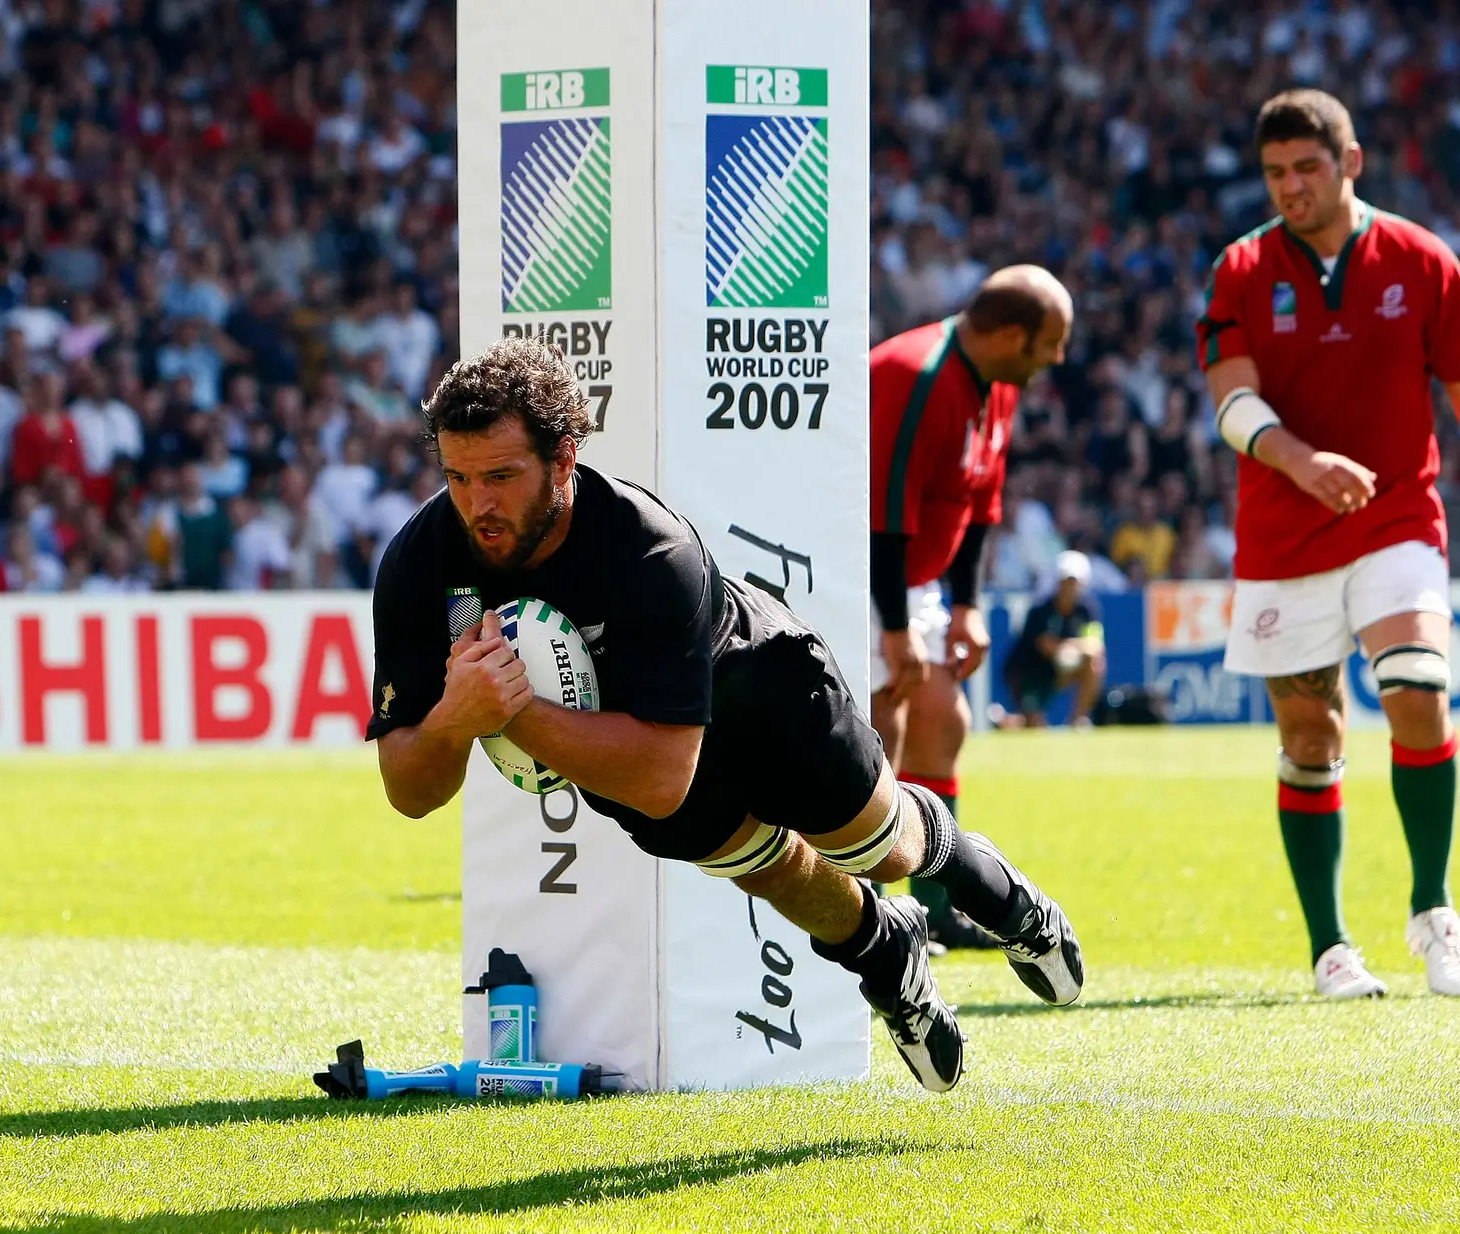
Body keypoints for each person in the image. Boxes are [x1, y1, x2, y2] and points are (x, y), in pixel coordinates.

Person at [369, 339, 1086, 1093]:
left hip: (761, 693)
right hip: (621, 744)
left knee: (879, 847)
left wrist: (509, 714)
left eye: (502, 476)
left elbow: (660, 780)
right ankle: (886, 953)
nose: (478, 503)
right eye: (458, 477)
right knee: (772, 872)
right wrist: (455, 718)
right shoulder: (420, 563)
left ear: (564, 459)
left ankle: (1000, 896)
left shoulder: (646, 546)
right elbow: (410, 791)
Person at [1196, 90, 1460, 1000]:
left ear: (1351, 162)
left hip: (1396, 518)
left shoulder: (1421, 260)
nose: (1291, 187)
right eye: (1275, 173)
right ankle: (1330, 949)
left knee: (1417, 692)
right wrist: (1302, 461)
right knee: (1311, 733)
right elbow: (1233, 403)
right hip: (1283, 534)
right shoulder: (1239, 268)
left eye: (1307, 168)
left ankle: (1433, 909)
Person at [868, 264, 1072, 949]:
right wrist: (895, 629)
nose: (1058, 359)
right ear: (1012, 335)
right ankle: (871, 913)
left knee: (942, 720)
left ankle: (933, 909)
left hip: (913, 584)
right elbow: (881, 515)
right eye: (1052, 343)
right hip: (860, 572)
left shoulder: (996, 384)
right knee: (882, 723)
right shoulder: (914, 376)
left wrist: (965, 607)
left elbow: (978, 504)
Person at [1003, 551, 1106, 729]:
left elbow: (1095, 645)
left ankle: (1078, 720)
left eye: (1074, 582)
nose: (1069, 587)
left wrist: (1069, 649)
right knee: (1034, 726)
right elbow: (1045, 645)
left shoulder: (1087, 610)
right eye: (1065, 581)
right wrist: (1075, 647)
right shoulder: (1040, 610)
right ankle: (1005, 722)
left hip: (1058, 671)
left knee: (1095, 663)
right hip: (1029, 673)